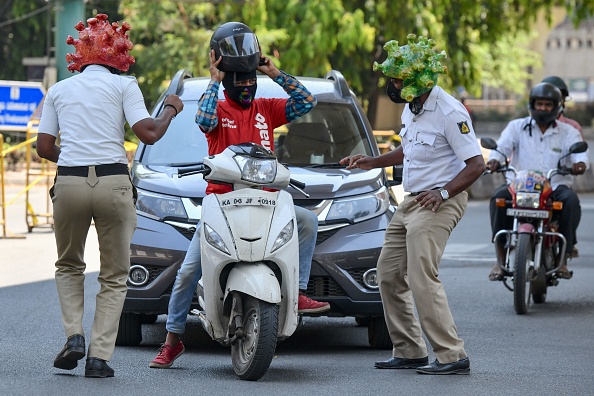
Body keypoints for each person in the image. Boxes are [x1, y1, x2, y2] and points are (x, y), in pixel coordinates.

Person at [149, 22, 329, 369]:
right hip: (223, 205)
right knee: (188, 273)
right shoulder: (218, 109)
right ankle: (172, 340)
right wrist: (214, 81)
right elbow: (202, 120)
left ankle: (300, 291)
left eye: (251, 80)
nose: (246, 86)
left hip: (267, 202)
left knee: (306, 220)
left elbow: (306, 102)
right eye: (241, 81)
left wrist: (275, 72)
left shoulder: (267, 108)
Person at [36, 13, 183, 378]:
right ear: (118, 52)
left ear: (79, 54)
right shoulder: (124, 86)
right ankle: (99, 357)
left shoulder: (59, 90)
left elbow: (43, 146)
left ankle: (74, 336)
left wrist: (72, 158)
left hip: (69, 184)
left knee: (69, 264)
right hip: (113, 183)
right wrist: (169, 109)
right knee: (114, 275)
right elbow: (148, 133)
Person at [340, 34, 485, 375]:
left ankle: (452, 355)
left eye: (398, 81)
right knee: (388, 275)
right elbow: (409, 150)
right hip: (411, 201)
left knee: (422, 277)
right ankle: (409, 350)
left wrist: (444, 194)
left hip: (439, 201)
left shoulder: (450, 111)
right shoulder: (412, 108)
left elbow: (476, 165)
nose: (392, 86)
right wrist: (372, 162)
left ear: (419, 80)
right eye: (392, 80)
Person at [487, 82, 588, 281]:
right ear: (532, 104)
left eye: (547, 105)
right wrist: (493, 161)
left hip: (555, 186)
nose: (542, 108)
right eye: (539, 104)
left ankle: (563, 259)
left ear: (557, 106)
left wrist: (579, 166)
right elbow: (501, 148)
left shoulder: (568, 132)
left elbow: (581, 157)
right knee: (498, 199)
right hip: (520, 185)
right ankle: (500, 259)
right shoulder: (516, 127)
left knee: (571, 202)